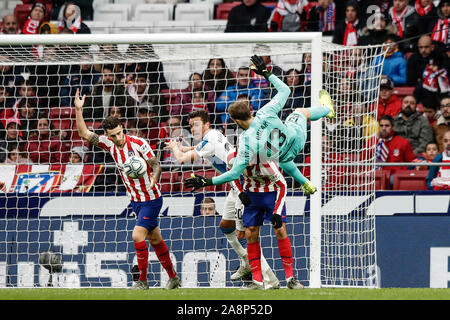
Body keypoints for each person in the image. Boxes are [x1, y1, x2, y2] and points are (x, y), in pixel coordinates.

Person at [74, 88, 181, 290]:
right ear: (107, 135)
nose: (118, 138)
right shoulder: (109, 145)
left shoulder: (139, 143)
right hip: (135, 201)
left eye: (120, 133)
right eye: (113, 136)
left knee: (137, 236)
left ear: (123, 128)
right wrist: (79, 110)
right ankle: (173, 277)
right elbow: (83, 133)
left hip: (151, 198)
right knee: (155, 239)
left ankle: (142, 281)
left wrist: (154, 177)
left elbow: (156, 164)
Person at [165, 109, 280, 289]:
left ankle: (269, 279)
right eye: (190, 125)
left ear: (206, 124)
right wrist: (180, 146)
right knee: (226, 226)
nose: (192, 128)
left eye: (196, 124)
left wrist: (174, 148)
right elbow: (193, 148)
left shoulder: (209, 140)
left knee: (245, 235)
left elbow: (181, 159)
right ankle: (246, 263)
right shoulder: (213, 136)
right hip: (233, 186)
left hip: (242, 186)